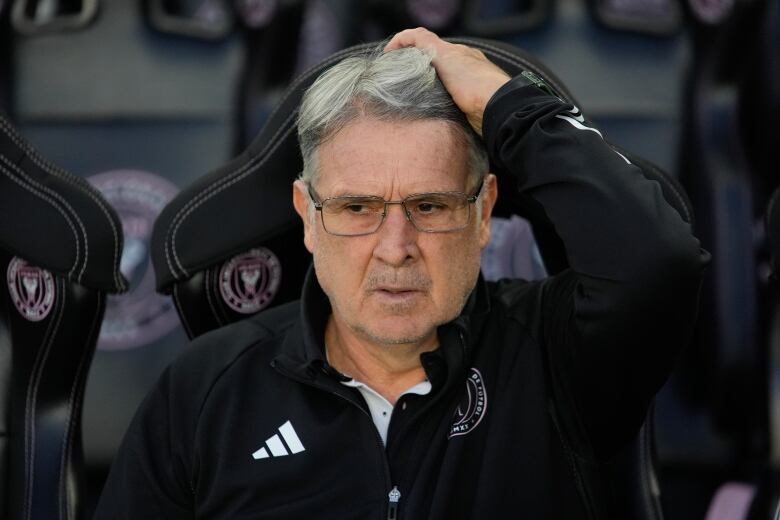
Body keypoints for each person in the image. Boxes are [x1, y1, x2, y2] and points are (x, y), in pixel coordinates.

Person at [94, 28, 709, 519]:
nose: (395, 248)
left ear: (484, 211)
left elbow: (657, 260)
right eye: (357, 208)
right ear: (308, 217)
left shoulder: (558, 353)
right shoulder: (206, 389)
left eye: (430, 206)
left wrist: (508, 107)